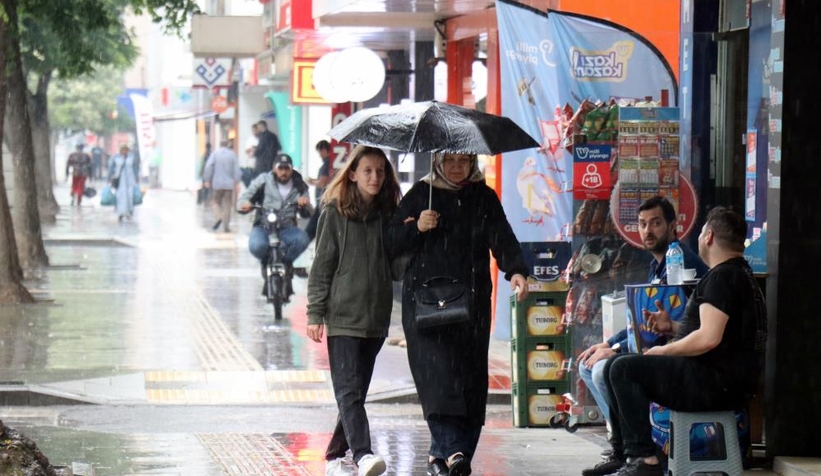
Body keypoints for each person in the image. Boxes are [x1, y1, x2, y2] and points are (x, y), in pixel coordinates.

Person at [583, 206, 765, 476]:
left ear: (709, 236)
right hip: (724, 380)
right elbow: (720, 333)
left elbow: (709, 338)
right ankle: (624, 454)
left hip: (713, 382)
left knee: (622, 369)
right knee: (616, 365)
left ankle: (644, 459)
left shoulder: (723, 277)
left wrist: (665, 350)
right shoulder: (741, 275)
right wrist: (672, 326)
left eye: (702, 231)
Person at [386, 153, 529, 476]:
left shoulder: (483, 196)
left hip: (472, 303)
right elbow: (390, 241)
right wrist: (417, 227)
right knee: (437, 379)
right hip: (426, 304)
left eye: (463, 160)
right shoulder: (422, 194)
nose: (456, 167)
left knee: (469, 381)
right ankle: (454, 453)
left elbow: (501, 236)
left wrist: (517, 271)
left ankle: (447, 455)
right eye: (449, 160)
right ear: (437, 161)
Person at [578, 195, 709, 473]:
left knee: (607, 369)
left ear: (673, 226)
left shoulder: (679, 261)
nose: (648, 230)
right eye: (642, 224)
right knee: (589, 367)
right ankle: (622, 447)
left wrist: (614, 351)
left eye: (656, 223)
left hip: (677, 354)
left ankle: (639, 453)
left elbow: (664, 327)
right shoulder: (657, 264)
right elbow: (643, 320)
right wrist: (610, 342)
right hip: (658, 346)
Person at [306, 146, 401, 476]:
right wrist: (315, 313)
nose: (375, 177)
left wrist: (416, 232)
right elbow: (322, 266)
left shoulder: (390, 214)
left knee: (355, 392)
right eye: (368, 171)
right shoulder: (335, 212)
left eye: (380, 171)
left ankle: (334, 457)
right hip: (343, 316)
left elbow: (398, 267)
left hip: (375, 317)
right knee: (348, 390)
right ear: (353, 173)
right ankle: (362, 454)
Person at [237, 153, 312, 297]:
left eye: (287, 169)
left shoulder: (299, 184)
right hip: (264, 226)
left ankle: (287, 263)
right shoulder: (263, 181)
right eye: (280, 168)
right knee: (256, 245)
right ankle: (266, 262)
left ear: (291, 169)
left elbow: (308, 211)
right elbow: (244, 198)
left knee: (302, 239)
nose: (283, 172)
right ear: (274, 168)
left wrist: (304, 204)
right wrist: (244, 205)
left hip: (287, 227)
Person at [203, 139, 242, 233]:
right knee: (228, 204)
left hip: (217, 183)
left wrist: (207, 179)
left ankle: (218, 217)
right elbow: (236, 169)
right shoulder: (232, 154)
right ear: (227, 144)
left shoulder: (215, 154)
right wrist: (237, 181)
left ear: (220, 145)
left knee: (216, 202)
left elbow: (209, 166)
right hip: (229, 184)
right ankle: (226, 226)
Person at [304, 140, 333, 241]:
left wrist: (312, 182)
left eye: (319, 152)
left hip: (323, 202)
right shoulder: (330, 163)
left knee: (310, 230)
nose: (320, 155)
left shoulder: (327, 164)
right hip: (323, 202)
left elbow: (323, 182)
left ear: (324, 150)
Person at [108, 144, 139, 222]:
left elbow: (135, 167)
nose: (124, 151)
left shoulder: (131, 157)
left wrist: (136, 177)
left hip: (130, 179)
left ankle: (129, 212)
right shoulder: (116, 157)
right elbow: (111, 168)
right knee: (120, 196)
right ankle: (120, 213)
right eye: (123, 149)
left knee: (130, 196)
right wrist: (110, 177)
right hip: (119, 180)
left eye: (126, 150)